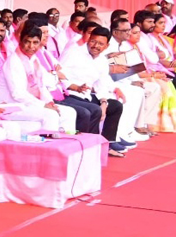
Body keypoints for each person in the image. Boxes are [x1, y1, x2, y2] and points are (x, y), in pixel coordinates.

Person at [56, 27, 131, 155]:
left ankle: (106, 145)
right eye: (93, 41)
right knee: (93, 110)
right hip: (69, 95)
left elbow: (101, 83)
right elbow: (58, 74)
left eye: (101, 44)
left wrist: (103, 102)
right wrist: (72, 86)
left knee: (115, 106)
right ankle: (89, 148)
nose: (95, 46)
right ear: (88, 40)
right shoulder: (73, 52)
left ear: (107, 46)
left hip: (86, 96)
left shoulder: (101, 60)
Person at [0, 25, 78, 134]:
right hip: (12, 106)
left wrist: (50, 102)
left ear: (40, 43)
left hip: (30, 104)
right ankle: (47, 148)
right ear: (20, 41)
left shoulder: (34, 60)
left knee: (70, 112)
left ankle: (65, 145)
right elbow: (18, 94)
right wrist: (43, 105)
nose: (31, 46)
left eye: (35, 43)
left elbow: (41, 86)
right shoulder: (13, 62)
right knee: (51, 114)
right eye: (27, 42)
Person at [108, 18, 176, 133]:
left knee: (154, 88)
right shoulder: (109, 46)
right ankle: (132, 128)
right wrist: (132, 81)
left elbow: (134, 68)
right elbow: (111, 71)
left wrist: (136, 80)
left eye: (129, 30)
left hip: (129, 79)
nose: (128, 33)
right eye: (126, 31)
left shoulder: (125, 46)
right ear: (115, 32)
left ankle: (147, 124)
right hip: (116, 83)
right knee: (137, 91)